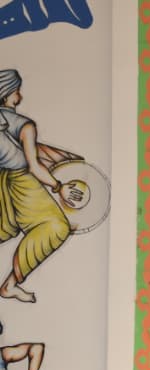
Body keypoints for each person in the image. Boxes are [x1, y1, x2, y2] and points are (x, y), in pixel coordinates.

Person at [0, 70, 72, 304]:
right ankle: (10, 285)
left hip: (3, 182)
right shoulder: (26, 125)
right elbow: (34, 167)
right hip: (22, 182)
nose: (19, 96)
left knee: (7, 227)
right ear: (7, 94)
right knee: (56, 227)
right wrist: (59, 186)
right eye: (16, 91)